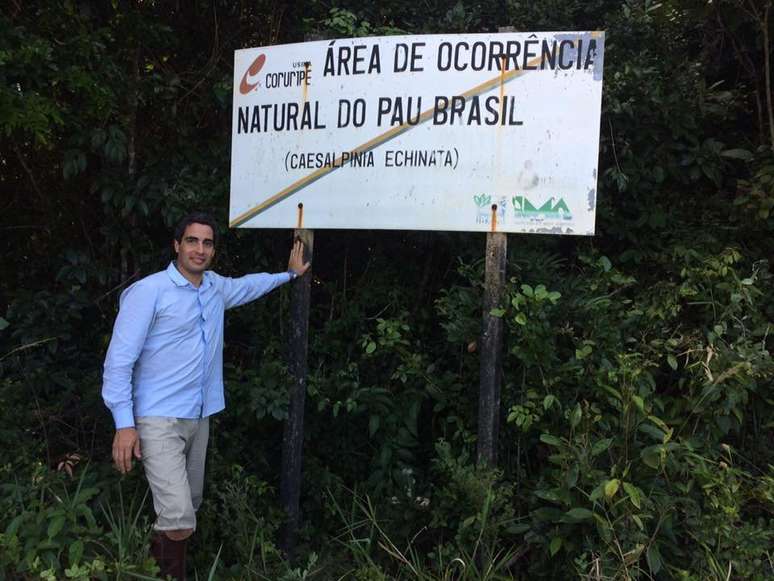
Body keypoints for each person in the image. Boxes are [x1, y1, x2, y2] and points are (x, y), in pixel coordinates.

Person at [101, 212, 310, 580]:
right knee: (180, 514)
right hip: (157, 419)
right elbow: (118, 362)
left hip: (199, 416)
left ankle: (145, 567)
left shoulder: (214, 288)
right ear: (177, 245)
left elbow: (248, 286)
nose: (200, 249)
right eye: (192, 241)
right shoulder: (149, 292)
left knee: (185, 509)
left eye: (208, 243)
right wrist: (124, 424)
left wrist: (289, 274)